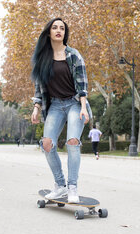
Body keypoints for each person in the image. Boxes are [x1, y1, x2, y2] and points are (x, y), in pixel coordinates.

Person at [31, 18, 91, 203]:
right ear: (49, 32)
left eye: (62, 28)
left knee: (73, 142)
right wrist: (36, 107)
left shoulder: (74, 55)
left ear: (65, 33)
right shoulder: (43, 59)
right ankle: (60, 185)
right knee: (47, 144)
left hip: (74, 103)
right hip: (55, 105)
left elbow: (82, 84)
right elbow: (39, 88)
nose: (58, 30)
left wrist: (83, 107)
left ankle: (72, 188)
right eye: (55, 27)